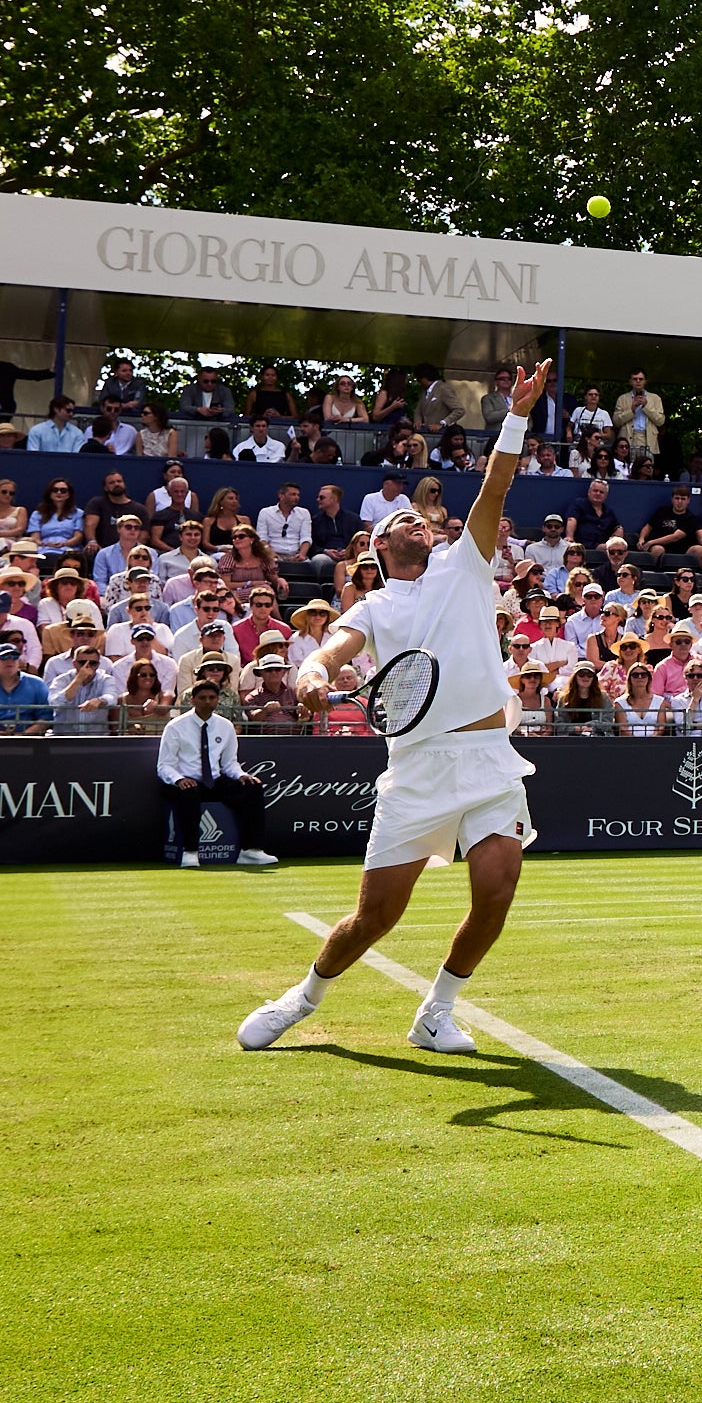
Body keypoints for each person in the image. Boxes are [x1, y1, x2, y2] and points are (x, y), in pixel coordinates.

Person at [240, 360, 556, 1057]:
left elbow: (496, 482)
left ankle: (437, 1009)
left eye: (424, 514)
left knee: (498, 885)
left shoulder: (466, 561)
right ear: (380, 547)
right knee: (375, 916)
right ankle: (303, 997)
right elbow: (333, 648)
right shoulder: (375, 605)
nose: (420, 517)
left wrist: (518, 413)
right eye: (404, 517)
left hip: (486, 758)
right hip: (416, 770)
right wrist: (313, 673)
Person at [158, 666, 278, 868]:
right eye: (203, 698)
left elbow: (230, 763)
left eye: (212, 697)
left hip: (214, 781)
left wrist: (241, 775)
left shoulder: (225, 726)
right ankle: (190, 852)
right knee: (190, 792)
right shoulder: (175, 726)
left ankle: (251, 850)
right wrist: (179, 779)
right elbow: (164, 766)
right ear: (192, 700)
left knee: (252, 788)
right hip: (184, 782)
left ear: (217, 700)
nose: (207, 701)